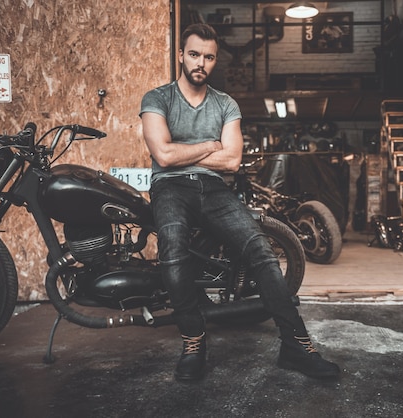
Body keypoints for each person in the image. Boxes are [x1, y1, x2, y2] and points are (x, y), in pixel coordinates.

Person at [139, 23, 340, 382]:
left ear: (215, 61)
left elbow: (231, 162)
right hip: (169, 187)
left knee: (261, 252)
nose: (201, 62)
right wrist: (209, 145)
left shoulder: (225, 104)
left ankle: (297, 346)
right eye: (194, 54)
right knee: (172, 251)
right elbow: (164, 157)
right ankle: (193, 341)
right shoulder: (157, 98)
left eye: (209, 57)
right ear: (181, 55)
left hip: (215, 189)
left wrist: (186, 152)